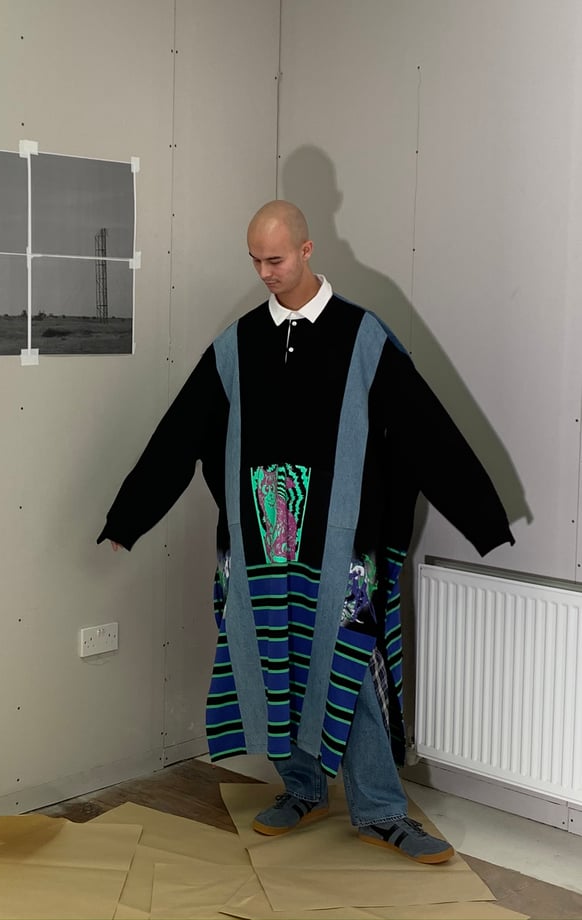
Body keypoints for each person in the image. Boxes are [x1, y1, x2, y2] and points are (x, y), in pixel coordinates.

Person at [98, 200, 514, 865]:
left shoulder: (362, 337)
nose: (265, 273)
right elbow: (181, 431)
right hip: (262, 544)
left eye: (276, 259)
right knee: (276, 665)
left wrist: (483, 518)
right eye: (255, 261)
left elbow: (424, 427)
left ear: (307, 249)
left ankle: (381, 812)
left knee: (349, 669)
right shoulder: (237, 346)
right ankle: (301, 790)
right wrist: (129, 518)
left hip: (340, 547)